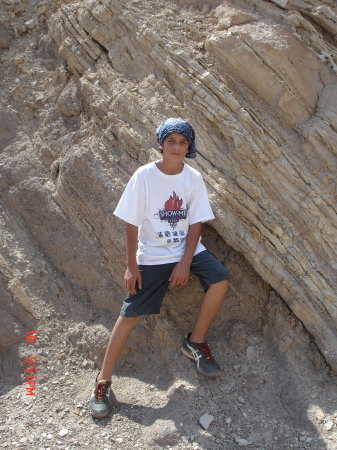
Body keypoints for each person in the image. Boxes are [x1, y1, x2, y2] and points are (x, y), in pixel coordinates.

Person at [89, 118, 230, 418]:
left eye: (183, 142)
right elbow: (131, 223)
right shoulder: (144, 176)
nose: (177, 147)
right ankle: (102, 381)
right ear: (161, 144)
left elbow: (196, 222)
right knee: (129, 314)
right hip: (152, 256)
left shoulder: (192, 179)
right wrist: (131, 266)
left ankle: (194, 342)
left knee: (220, 279)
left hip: (186, 250)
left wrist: (186, 261)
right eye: (171, 142)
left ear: (189, 146)